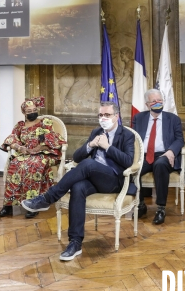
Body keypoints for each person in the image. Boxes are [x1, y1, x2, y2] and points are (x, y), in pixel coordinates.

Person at [22, 101, 134, 261]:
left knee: (88, 164)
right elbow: (76, 157)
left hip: (114, 180)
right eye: (101, 115)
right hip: (94, 179)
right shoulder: (96, 132)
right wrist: (90, 145)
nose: (103, 118)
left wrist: (108, 147)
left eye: (107, 115)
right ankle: (75, 243)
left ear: (116, 116)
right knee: (77, 187)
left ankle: (48, 198)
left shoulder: (127, 135)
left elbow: (129, 161)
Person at [0, 97, 66, 218]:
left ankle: (34, 205)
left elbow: (51, 138)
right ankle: (8, 205)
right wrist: (19, 148)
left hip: (44, 153)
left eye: (34, 110)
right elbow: (12, 139)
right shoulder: (20, 126)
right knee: (15, 164)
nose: (32, 112)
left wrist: (39, 148)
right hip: (25, 153)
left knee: (33, 165)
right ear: (24, 113)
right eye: (29, 111)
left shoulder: (45, 122)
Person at [132, 90, 184, 225]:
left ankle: (161, 208)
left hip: (164, 154)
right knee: (130, 169)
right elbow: (134, 139)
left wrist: (172, 151)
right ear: (147, 104)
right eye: (154, 101)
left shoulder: (173, 119)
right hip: (144, 155)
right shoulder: (139, 118)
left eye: (159, 100)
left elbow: (180, 140)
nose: (157, 103)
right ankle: (141, 204)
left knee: (160, 164)